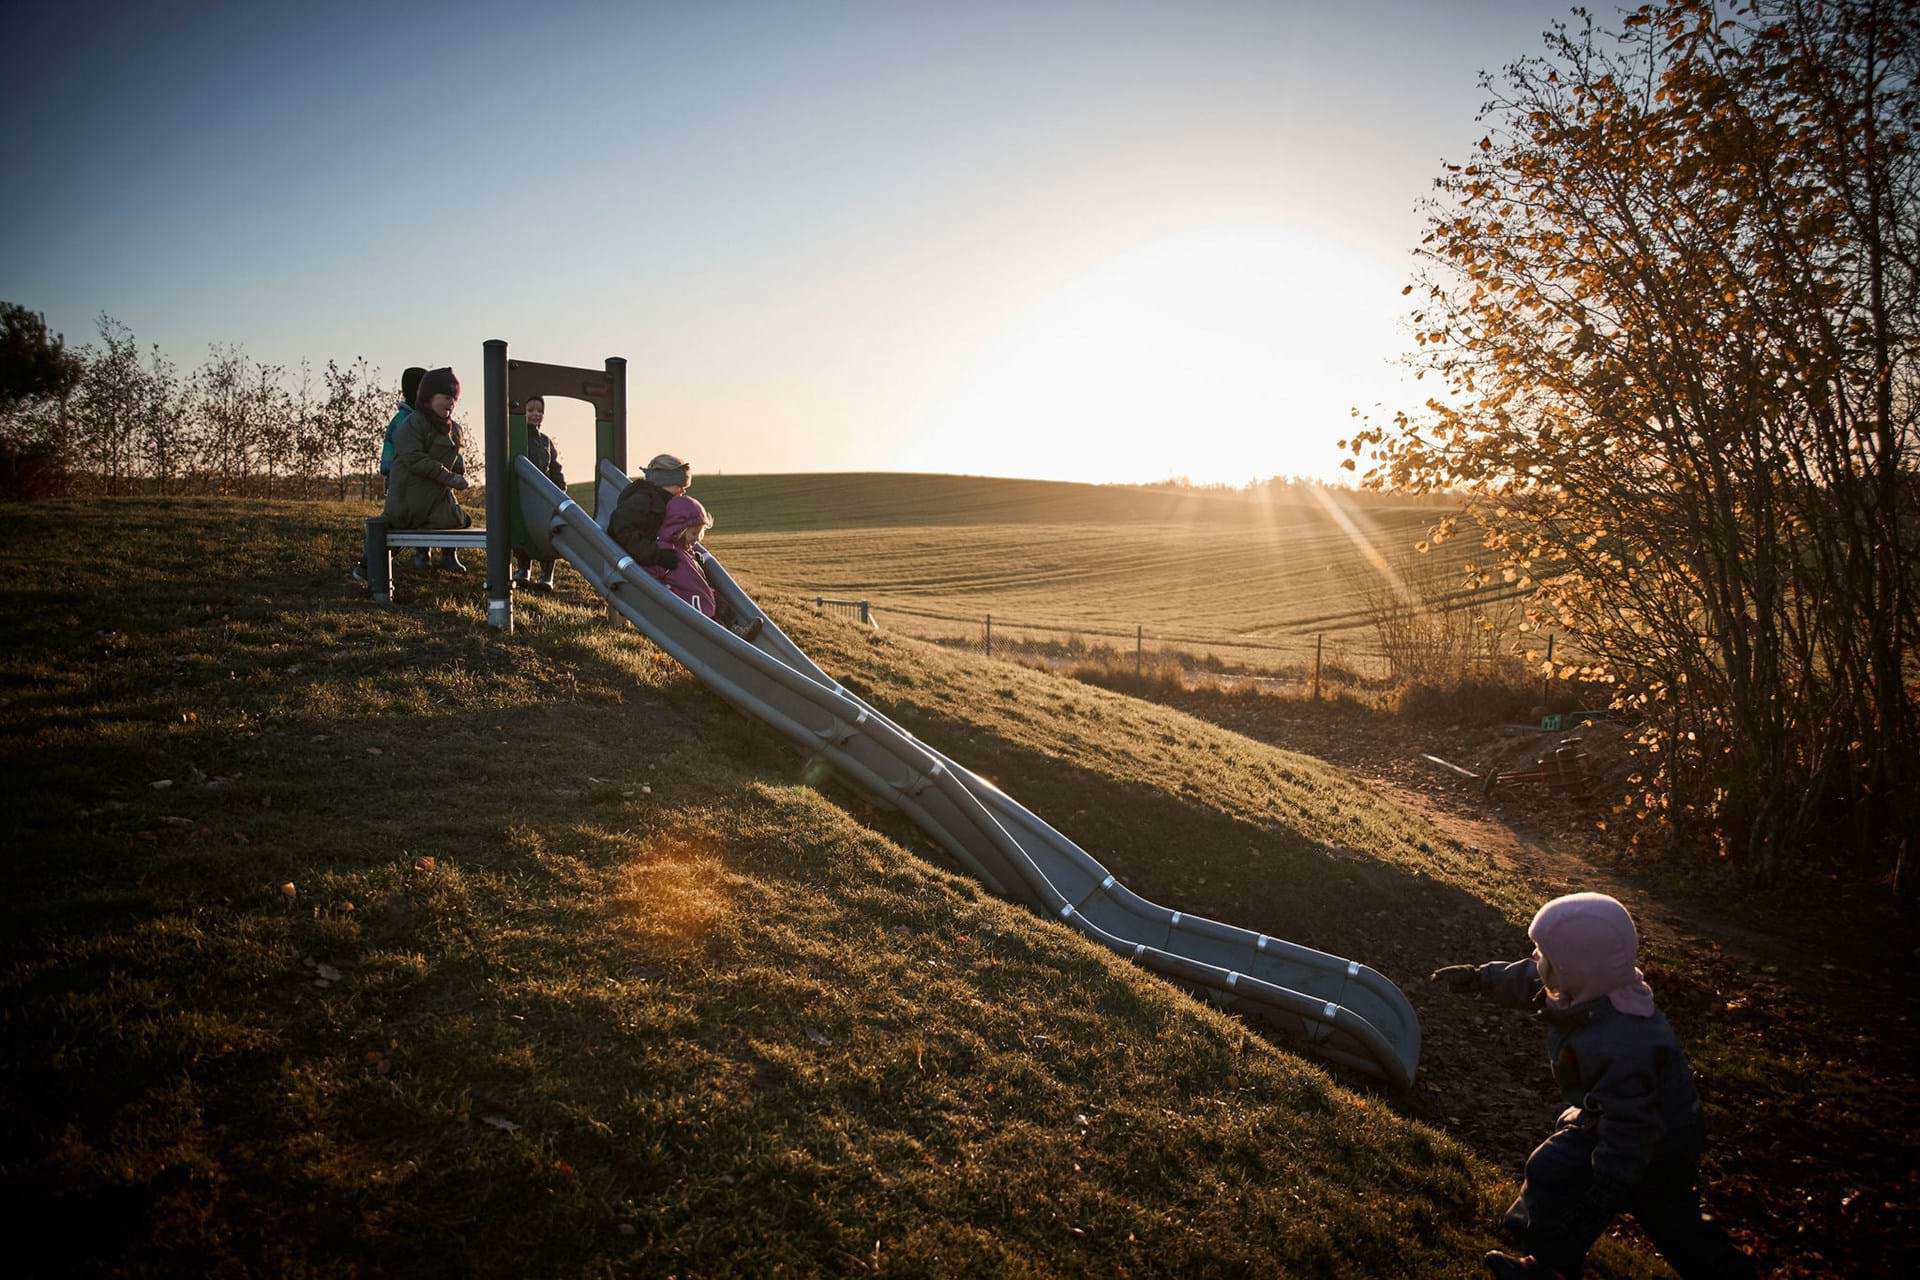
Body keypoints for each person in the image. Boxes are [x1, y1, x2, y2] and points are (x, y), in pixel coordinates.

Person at [1430, 893, 1754, 1280]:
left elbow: (1634, 1123)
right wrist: (1478, 977)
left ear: (1575, 967)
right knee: (1559, 1173)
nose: (1535, 958)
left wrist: (1610, 1179)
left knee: (1670, 1223)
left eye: (1544, 953)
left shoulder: (1624, 1040)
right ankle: (1549, 1263)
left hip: (1657, 1143)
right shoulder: (1589, 987)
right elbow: (1530, 978)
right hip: (1615, 1118)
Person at [617, 454, 760, 641]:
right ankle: (725, 636)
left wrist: (689, 555)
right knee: (698, 599)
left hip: (666, 558)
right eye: (680, 486)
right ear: (665, 482)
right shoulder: (643, 500)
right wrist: (657, 555)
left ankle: (734, 628)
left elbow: (672, 535)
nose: (683, 492)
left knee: (708, 591)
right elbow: (622, 532)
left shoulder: (665, 502)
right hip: (652, 563)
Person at [380, 366, 472, 572]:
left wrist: (458, 467)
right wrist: (449, 477)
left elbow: (452, 453)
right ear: (427, 397)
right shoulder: (409, 423)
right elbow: (413, 457)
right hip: (409, 495)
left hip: (435, 496)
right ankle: (416, 555)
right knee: (395, 527)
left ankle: (449, 555)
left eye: (454, 398)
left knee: (456, 519)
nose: (451, 402)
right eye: (446, 397)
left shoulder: (451, 428)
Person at [511, 394, 565, 592]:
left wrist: (560, 487)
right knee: (522, 529)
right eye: (531, 410)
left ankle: (546, 574)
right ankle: (523, 568)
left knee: (546, 531)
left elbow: (555, 467)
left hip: (543, 492)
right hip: (522, 491)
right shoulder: (515, 437)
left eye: (540, 411)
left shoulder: (545, 441)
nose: (536, 414)